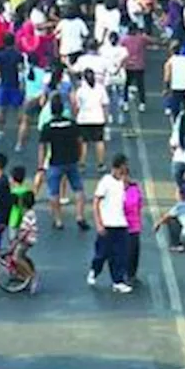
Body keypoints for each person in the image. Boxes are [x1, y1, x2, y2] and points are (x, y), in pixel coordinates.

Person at [38, 95, 86, 230]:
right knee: (78, 189)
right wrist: (80, 157)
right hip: (72, 160)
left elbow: (42, 147)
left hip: (55, 162)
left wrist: (41, 166)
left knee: (54, 192)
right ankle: (80, 216)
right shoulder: (72, 124)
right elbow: (80, 141)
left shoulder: (48, 127)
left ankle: (58, 220)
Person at [88, 153, 132, 294]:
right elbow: (96, 202)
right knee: (102, 253)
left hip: (121, 224)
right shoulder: (105, 182)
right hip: (107, 224)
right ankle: (95, 270)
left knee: (120, 255)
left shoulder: (123, 182)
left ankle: (117, 281)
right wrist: (99, 223)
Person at [74, 69, 110, 173]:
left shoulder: (80, 90)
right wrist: (106, 117)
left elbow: (77, 106)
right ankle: (100, 164)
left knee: (83, 143)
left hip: (83, 119)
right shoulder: (100, 88)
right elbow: (105, 105)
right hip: (98, 118)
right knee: (99, 141)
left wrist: (76, 117)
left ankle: (81, 164)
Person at [0, 33, 24, 139]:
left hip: (4, 85)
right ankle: (21, 127)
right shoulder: (18, 55)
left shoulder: (0, 55)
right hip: (15, 85)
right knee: (19, 108)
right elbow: (21, 70)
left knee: (1, 109)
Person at [12, 188, 39, 292]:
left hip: (27, 240)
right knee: (22, 255)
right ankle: (30, 271)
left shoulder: (28, 215)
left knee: (17, 257)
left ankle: (30, 276)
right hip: (30, 239)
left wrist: (18, 239)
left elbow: (26, 230)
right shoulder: (30, 213)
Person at [123, 177, 144, 283]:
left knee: (134, 251)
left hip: (134, 225)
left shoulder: (134, 189)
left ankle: (131, 274)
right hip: (120, 225)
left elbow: (138, 204)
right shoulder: (114, 189)